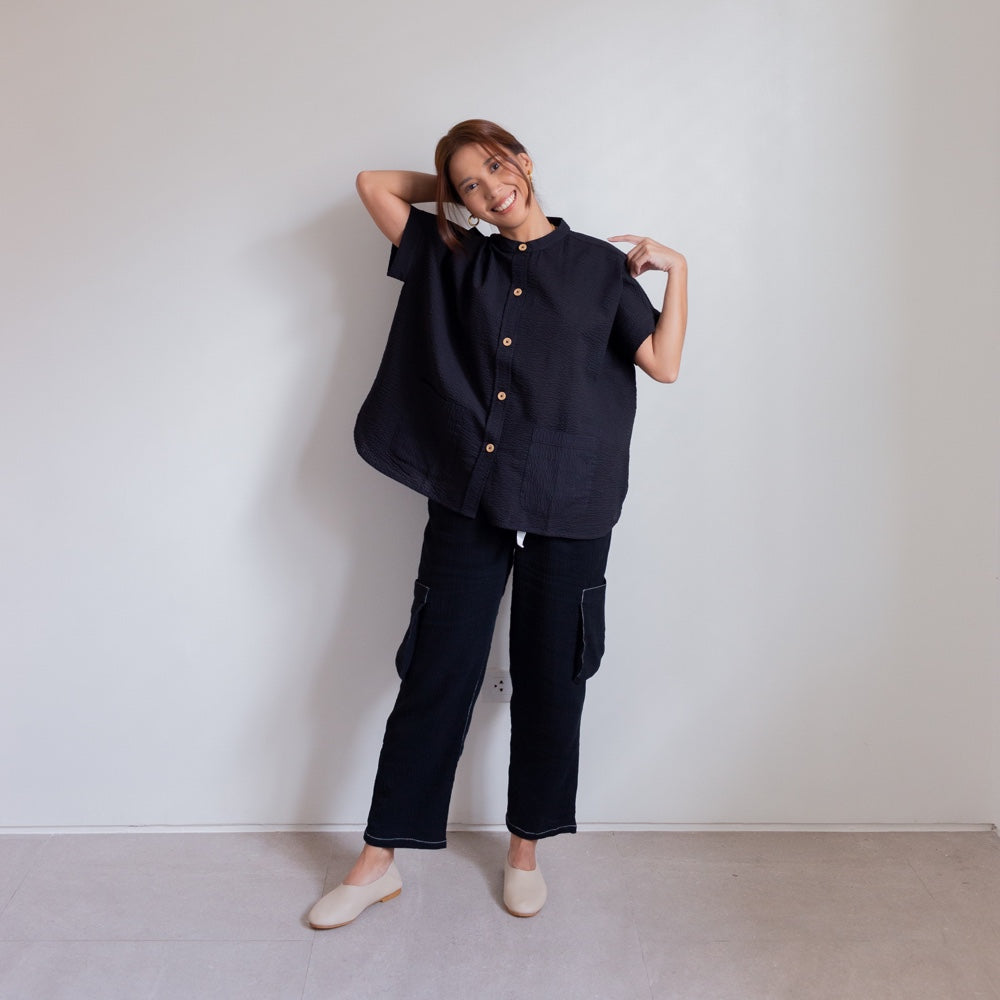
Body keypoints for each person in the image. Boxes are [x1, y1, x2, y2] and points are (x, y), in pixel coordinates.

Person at [308, 119, 687, 929]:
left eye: (496, 168)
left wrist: (678, 270)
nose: (490, 190)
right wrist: (452, 195)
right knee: (436, 672)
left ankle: (525, 851)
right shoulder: (456, 255)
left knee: (552, 678)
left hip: (570, 500)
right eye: (470, 186)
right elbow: (374, 185)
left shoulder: (597, 267)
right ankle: (378, 861)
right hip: (471, 495)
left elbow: (662, 362)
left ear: (525, 161)